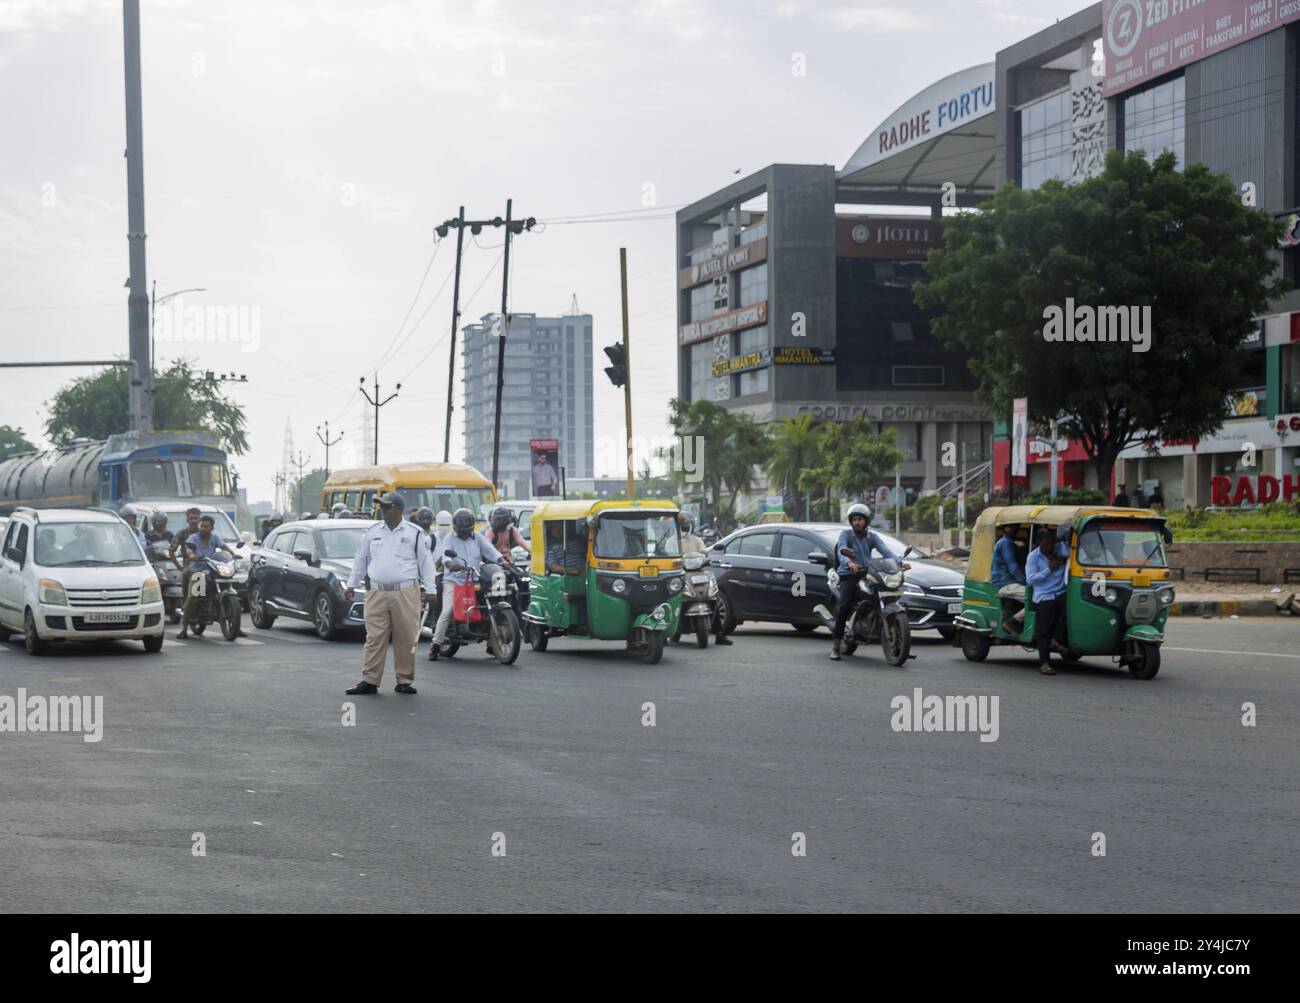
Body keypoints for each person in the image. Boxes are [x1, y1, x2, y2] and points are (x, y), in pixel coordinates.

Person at [344, 492, 435, 695]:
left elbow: (426, 563)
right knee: (374, 637)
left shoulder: (414, 532)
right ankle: (370, 680)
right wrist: (351, 584)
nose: (383, 510)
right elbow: (361, 558)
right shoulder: (373, 531)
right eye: (382, 506)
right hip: (376, 591)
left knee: (405, 635)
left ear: (400, 509)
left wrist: (431, 590)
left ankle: (404, 680)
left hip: (405, 591)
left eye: (388, 506)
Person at [430, 508, 503, 660]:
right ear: (455, 527)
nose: (464, 533)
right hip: (454, 580)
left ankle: (492, 643)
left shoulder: (477, 537)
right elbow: (445, 554)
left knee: (489, 605)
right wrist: (450, 564)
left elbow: (490, 551)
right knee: (448, 610)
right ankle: (436, 645)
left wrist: (502, 560)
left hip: (475, 579)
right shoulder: (449, 538)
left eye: (466, 530)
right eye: (461, 530)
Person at [830, 503, 885, 661]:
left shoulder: (872, 537)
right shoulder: (846, 535)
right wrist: (849, 563)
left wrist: (899, 562)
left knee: (880, 597)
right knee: (845, 607)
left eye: (860, 519)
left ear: (866, 521)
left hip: (867, 574)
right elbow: (842, 550)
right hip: (849, 574)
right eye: (854, 519)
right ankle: (835, 646)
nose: (857, 522)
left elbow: (885, 551)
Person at [178, 515, 237, 639]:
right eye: (202, 526)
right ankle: (184, 629)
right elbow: (189, 550)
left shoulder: (215, 537)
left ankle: (237, 626)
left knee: (227, 584)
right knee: (193, 596)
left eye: (206, 526)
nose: (203, 528)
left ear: (212, 528)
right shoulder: (193, 538)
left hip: (211, 569)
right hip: (198, 570)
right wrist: (192, 555)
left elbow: (223, 547)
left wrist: (233, 554)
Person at [679, 513, 731, 646]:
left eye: (685, 523)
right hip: (680, 573)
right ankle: (662, 635)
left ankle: (720, 635)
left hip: (698, 571)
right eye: (681, 523)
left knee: (713, 597)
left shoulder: (696, 540)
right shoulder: (672, 541)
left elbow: (703, 552)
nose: (684, 526)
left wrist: (704, 557)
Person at [1026, 527, 1070, 675]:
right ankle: (1044, 663)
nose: (1050, 547)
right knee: (1043, 630)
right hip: (1044, 595)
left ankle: (1057, 640)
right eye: (1046, 544)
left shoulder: (1059, 549)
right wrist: (1049, 570)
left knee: (1073, 609)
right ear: (1039, 543)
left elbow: (1069, 551)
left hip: (1061, 592)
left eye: (1051, 543)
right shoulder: (1033, 557)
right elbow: (1031, 580)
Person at [991, 524, 1028, 636]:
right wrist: (1027, 583)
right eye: (1008, 527)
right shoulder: (1005, 543)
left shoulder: (1010, 543)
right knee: (1036, 598)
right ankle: (1012, 623)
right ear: (1003, 528)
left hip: (1009, 583)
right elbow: (1013, 568)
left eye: (1013, 526)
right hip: (1005, 583)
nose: (1011, 529)